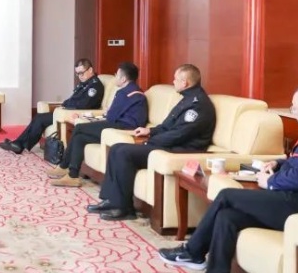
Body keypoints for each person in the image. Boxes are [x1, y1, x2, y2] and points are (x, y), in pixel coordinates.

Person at [158, 83, 298, 273]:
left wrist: (270, 181)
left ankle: (193, 251)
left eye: (294, 108)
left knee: (227, 196)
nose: (292, 111)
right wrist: (278, 164)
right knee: (227, 216)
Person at [92, 64, 216, 221]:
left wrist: (150, 141)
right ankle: (111, 200)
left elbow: (178, 135)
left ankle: (124, 208)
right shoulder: (187, 99)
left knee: (124, 152)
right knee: (116, 148)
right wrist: (149, 131)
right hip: (168, 145)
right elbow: (167, 126)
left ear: (184, 82)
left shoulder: (198, 106)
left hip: (178, 150)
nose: (173, 82)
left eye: (176, 79)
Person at [49, 62, 148, 187]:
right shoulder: (136, 91)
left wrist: (108, 113)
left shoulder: (125, 93)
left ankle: (64, 166)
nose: (115, 77)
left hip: (121, 128)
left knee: (79, 128)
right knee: (80, 138)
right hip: (121, 126)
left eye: (116, 75)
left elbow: (111, 117)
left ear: (123, 79)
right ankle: (72, 175)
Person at [0, 58, 104, 153]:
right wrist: (65, 104)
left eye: (81, 73)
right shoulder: (85, 84)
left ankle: (19, 144)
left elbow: (84, 104)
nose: (80, 76)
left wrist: (66, 104)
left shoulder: (94, 86)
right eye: (77, 74)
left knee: (40, 119)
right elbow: (73, 99)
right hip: (65, 112)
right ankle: (19, 143)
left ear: (90, 70)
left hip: (74, 115)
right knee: (39, 117)